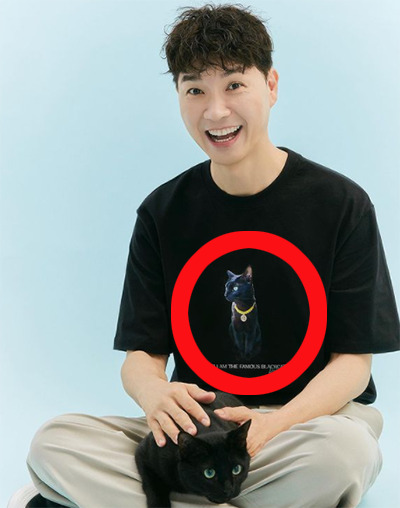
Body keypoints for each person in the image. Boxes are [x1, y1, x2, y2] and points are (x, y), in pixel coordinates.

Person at [20, 3, 400, 508]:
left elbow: (353, 364)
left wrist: (272, 424)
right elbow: (142, 356)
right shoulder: (162, 212)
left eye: (234, 85)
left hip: (306, 423)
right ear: (179, 97)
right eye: (195, 90)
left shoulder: (341, 204)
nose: (216, 112)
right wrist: (154, 394)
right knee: (55, 444)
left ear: (271, 85)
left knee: (344, 455)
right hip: (200, 434)